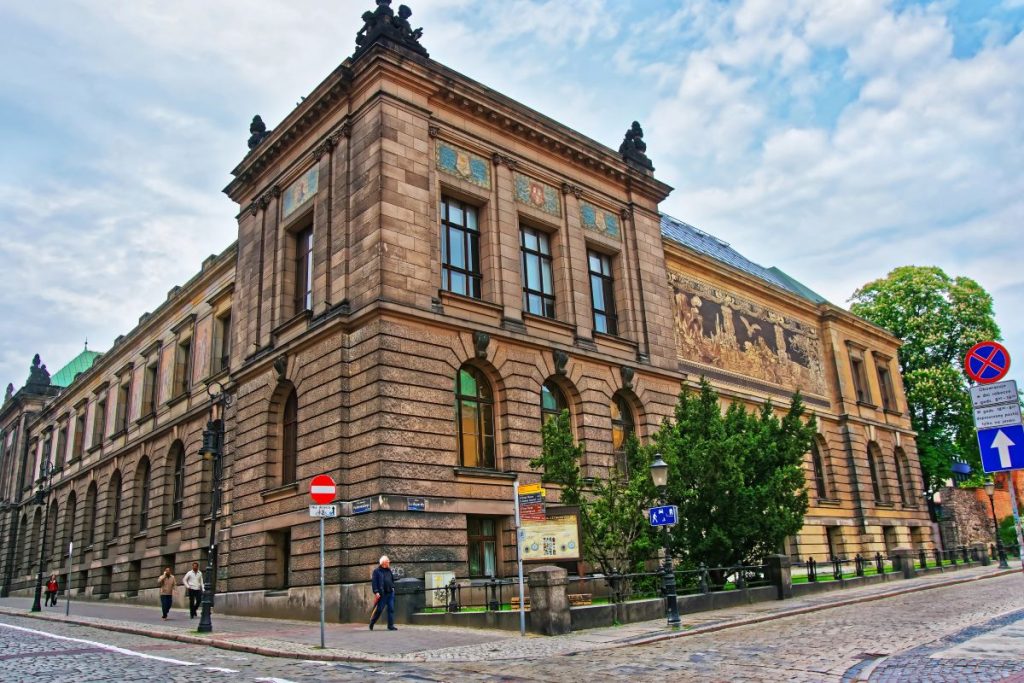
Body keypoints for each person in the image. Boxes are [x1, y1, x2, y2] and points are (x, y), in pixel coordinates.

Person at [368, 555, 396, 631]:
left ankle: (390, 626)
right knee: (379, 610)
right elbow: (374, 582)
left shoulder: (389, 570)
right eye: (388, 561)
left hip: (390, 593)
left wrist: (393, 587)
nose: (389, 562)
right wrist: (376, 592)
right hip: (382, 594)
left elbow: (392, 580)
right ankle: (372, 622)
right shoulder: (377, 571)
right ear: (383, 563)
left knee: (391, 609)